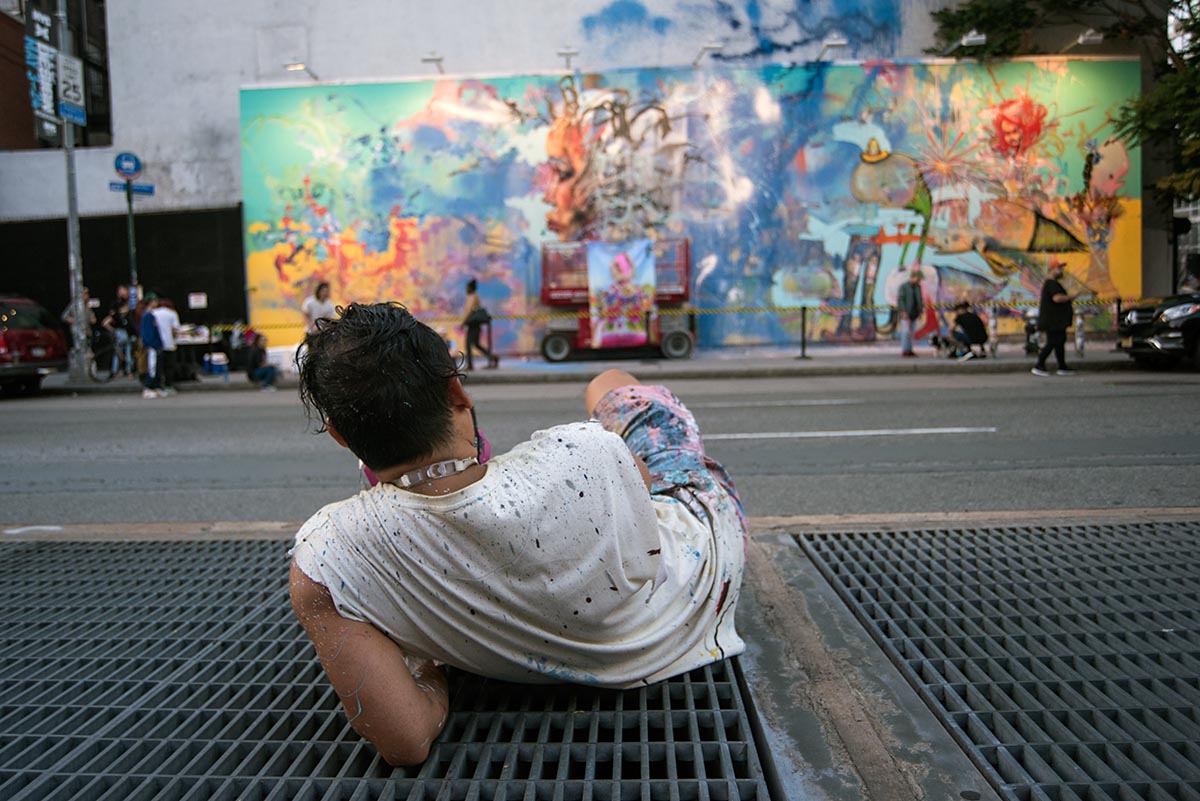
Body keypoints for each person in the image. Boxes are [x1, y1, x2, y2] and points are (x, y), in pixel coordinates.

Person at [288, 302, 747, 766]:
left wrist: (426, 662)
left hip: (570, 663)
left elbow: (406, 740)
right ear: (457, 395)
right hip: (705, 572)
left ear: (340, 437)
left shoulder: (329, 556)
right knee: (608, 385)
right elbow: (645, 491)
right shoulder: (582, 449)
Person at [1032, 260, 1079, 376]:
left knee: (1059, 343)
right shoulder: (1051, 284)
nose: (1061, 271)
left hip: (1057, 321)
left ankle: (1062, 366)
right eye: (1059, 269)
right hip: (1053, 321)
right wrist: (1070, 297)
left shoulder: (1053, 284)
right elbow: (1057, 298)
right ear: (1052, 270)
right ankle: (1039, 365)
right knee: (1053, 342)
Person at [461, 278, 498, 370]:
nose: (466, 289)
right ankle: (492, 357)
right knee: (476, 344)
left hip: (473, 325)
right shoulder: (476, 296)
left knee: (468, 344)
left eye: (467, 287)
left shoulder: (472, 297)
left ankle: (470, 364)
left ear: (470, 288)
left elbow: (469, 311)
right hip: (476, 325)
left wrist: (463, 322)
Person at [151, 297, 181, 394]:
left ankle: (158, 385)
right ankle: (168, 385)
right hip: (169, 344)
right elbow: (175, 330)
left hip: (157, 344)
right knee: (169, 366)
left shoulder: (153, 313)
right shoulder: (172, 314)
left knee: (157, 366)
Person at [101, 295, 136, 377]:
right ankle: (128, 371)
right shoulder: (128, 315)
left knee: (117, 354)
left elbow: (104, 323)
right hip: (126, 335)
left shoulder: (116, 314)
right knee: (128, 353)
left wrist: (113, 330)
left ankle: (114, 371)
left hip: (119, 334)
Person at [139, 293, 165, 398]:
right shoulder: (147, 316)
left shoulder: (150, 315)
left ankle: (156, 386)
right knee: (152, 367)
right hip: (152, 345)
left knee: (156, 366)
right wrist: (152, 343)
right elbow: (147, 332)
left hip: (155, 344)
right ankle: (149, 386)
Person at [896, 269, 924, 357]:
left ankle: (910, 349)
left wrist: (920, 312)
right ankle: (905, 350)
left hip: (914, 313)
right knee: (906, 331)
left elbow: (919, 300)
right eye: (918, 278)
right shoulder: (903, 287)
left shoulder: (917, 287)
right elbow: (901, 300)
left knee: (912, 332)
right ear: (913, 277)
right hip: (906, 313)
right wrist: (903, 311)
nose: (919, 281)